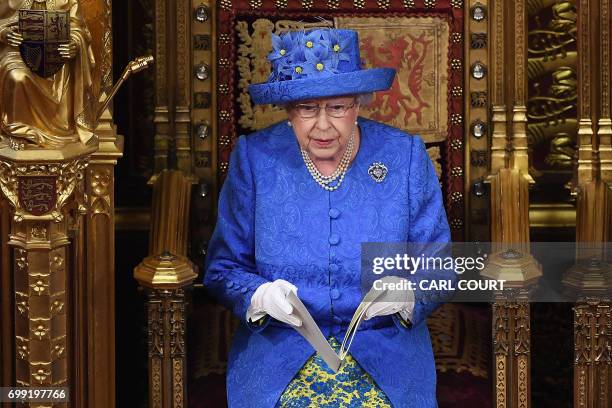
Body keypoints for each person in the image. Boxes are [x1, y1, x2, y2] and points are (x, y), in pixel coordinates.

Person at [204, 28, 454, 408]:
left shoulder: (404, 156)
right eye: (307, 109)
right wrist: (258, 295)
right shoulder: (255, 159)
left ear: (358, 104)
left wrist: (409, 294)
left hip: (386, 355)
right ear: (289, 112)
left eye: (337, 107)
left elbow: (440, 266)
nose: (322, 126)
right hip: (280, 354)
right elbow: (222, 268)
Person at [0, 0, 96, 149]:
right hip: (16, 52)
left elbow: (78, 29)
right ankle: (17, 131)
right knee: (17, 76)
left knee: (61, 71)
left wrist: (74, 44)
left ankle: (59, 129)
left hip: (56, 57)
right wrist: (4, 33)